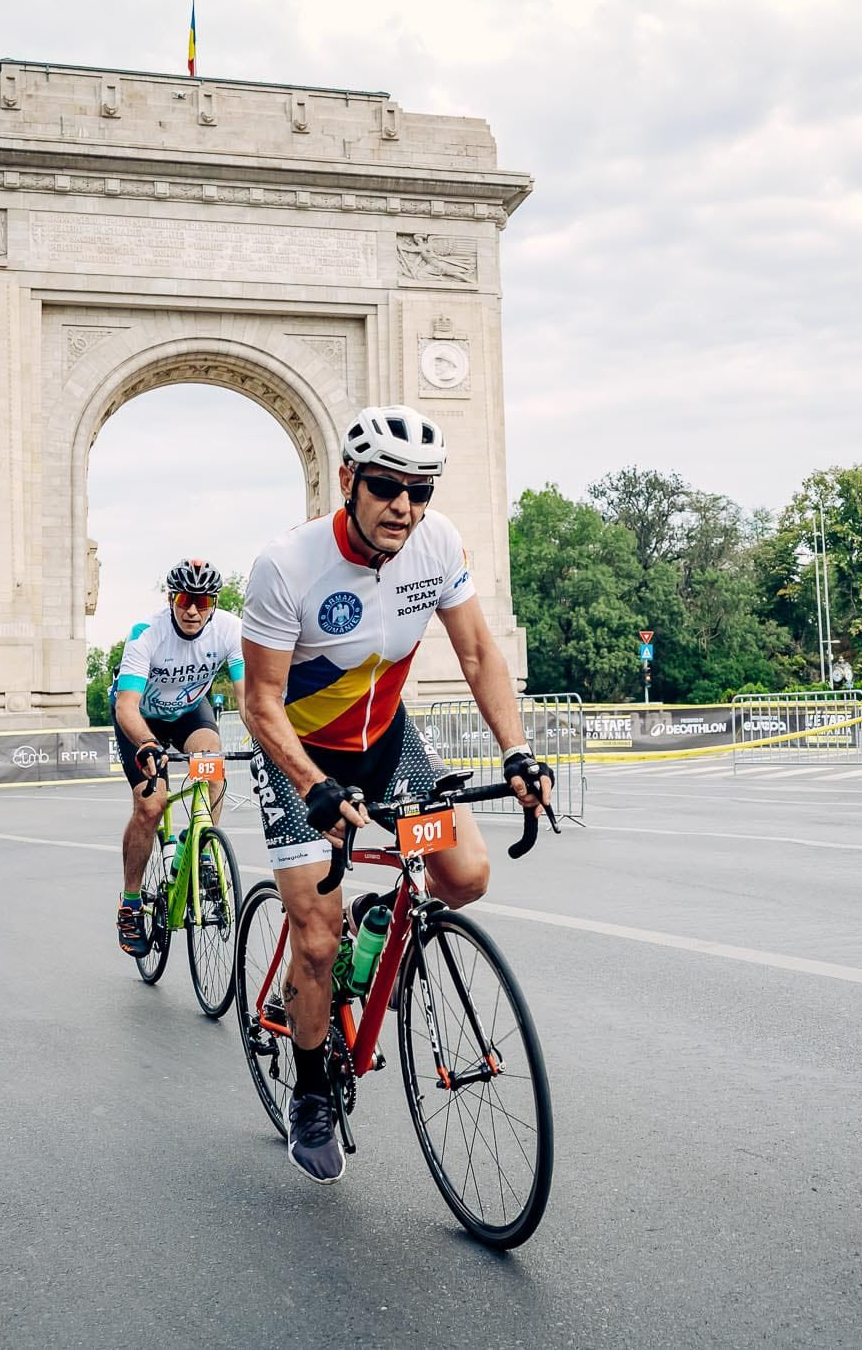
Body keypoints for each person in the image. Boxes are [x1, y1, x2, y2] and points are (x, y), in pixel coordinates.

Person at [239, 403, 552, 1185]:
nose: (403, 507)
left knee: (465, 875)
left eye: (420, 490)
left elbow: (478, 651)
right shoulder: (287, 567)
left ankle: (379, 920)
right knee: (315, 936)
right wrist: (314, 786)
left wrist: (515, 749)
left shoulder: (437, 543)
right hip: (299, 754)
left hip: (387, 740)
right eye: (385, 487)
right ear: (348, 480)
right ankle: (311, 1089)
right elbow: (260, 704)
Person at [111, 558, 245, 957]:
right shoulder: (146, 634)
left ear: (214, 603)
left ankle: (202, 850)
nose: (192, 610)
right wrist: (148, 745)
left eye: (203, 602)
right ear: (171, 598)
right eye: (185, 599)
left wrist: (270, 746)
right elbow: (127, 706)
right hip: (141, 720)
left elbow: (248, 698)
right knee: (151, 806)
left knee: (213, 763)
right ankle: (131, 904)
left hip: (189, 712)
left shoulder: (230, 629)